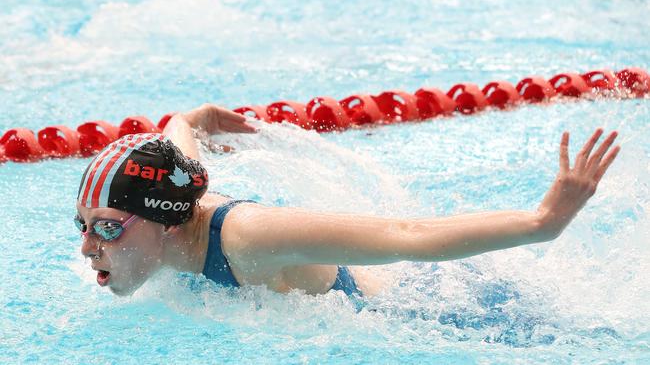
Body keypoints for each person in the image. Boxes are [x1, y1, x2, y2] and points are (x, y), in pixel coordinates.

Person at [76, 104, 621, 297]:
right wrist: (194, 119)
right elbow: (177, 139)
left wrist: (542, 221)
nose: (86, 248)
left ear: (166, 225)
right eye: (81, 225)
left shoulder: (247, 238)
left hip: (449, 305)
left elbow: (408, 237)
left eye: (104, 228)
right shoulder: (162, 208)